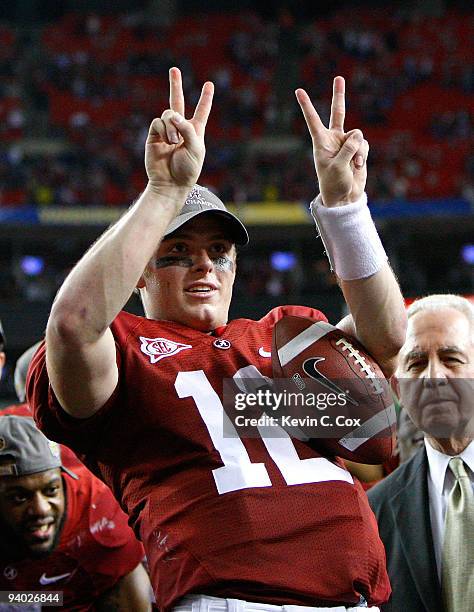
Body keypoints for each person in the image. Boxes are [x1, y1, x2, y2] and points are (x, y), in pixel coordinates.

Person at [27, 67, 407, 611]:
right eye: (177, 252)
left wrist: (346, 210)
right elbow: (72, 324)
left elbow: (388, 338)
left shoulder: (280, 334)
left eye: (218, 253)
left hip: (355, 598)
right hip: (228, 598)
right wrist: (164, 191)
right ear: (141, 272)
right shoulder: (123, 347)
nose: (203, 265)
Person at [368, 294, 474, 612]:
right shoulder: (374, 512)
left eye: (451, 358)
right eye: (416, 364)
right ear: (398, 388)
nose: (433, 377)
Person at [0, 415, 152, 611]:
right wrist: (51, 600)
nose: (41, 509)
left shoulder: (100, 510)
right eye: (19, 497)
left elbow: (132, 599)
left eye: (51, 490)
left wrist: (66, 599)